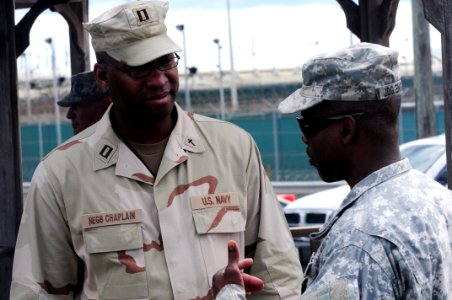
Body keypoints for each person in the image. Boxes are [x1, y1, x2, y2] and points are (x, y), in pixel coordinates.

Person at [10, 1, 302, 299]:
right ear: (102, 77)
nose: (159, 80)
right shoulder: (62, 173)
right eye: (139, 69)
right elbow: (37, 292)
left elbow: (277, 275)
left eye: (166, 62)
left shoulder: (233, 149)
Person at [213, 42, 452, 299]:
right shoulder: (439, 200)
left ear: (346, 130)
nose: (304, 139)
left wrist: (228, 292)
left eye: (308, 126)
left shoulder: (358, 241)